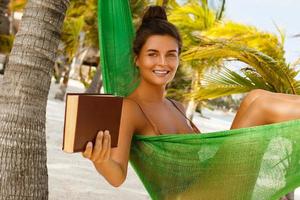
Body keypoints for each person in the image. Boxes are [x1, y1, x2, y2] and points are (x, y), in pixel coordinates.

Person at [82, 5, 300, 192]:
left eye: (171, 54)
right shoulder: (129, 107)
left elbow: (200, 159)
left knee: (255, 97)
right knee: (260, 106)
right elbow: (117, 176)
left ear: (178, 58)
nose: (162, 63)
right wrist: (101, 161)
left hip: (212, 186)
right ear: (137, 59)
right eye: (152, 54)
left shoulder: (176, 106)